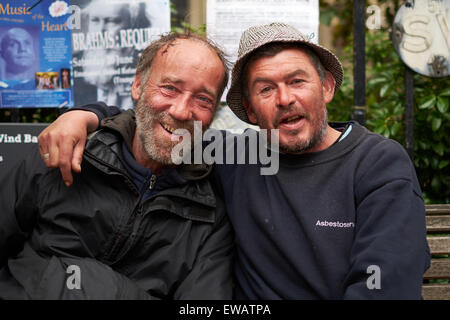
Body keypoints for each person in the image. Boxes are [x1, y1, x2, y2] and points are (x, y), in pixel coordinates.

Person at [37, 23, 430, 299]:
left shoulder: (378, 163)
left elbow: (385, 286)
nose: (285, 98)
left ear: (325, 87)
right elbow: (158, 118)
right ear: (251, 112)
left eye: (297, 81)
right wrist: (84, 115)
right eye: (265, 89)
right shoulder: (236, 157)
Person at [0, 32, 233, 299]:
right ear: (137, 86)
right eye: (169, 88)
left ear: (213, 114)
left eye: (203, 99)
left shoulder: (209, 215)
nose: (181, 111)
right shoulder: (65, 152)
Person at [73, 1, 152, 107]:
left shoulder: (149, 65)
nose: (100, 31)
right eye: (95, 20)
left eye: (112, 21)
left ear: (132, 25)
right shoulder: (74, 65)